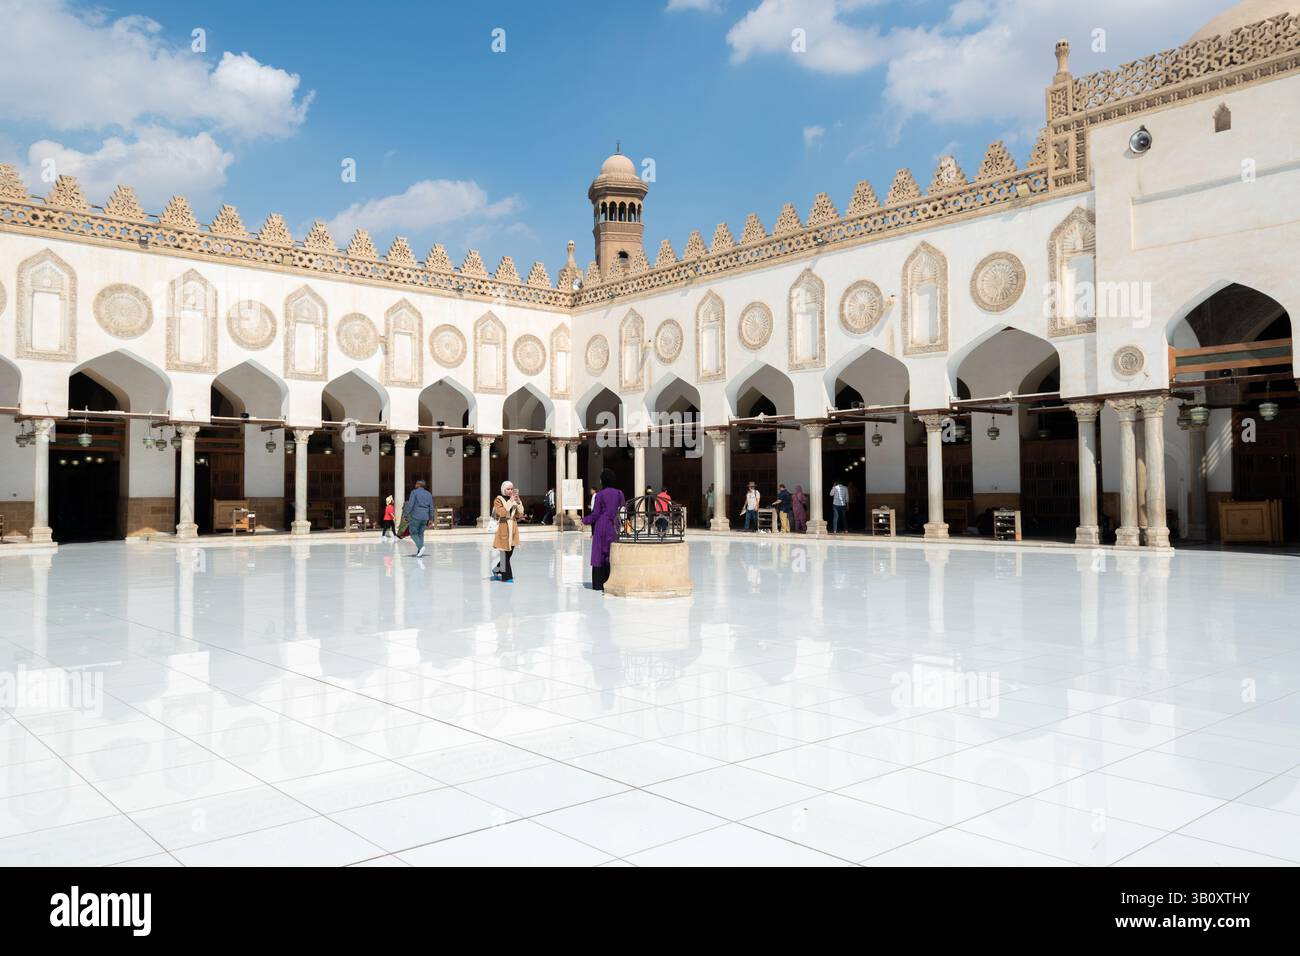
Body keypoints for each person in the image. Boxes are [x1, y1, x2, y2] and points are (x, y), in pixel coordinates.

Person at [583, 468, 625, 591]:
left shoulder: (599, 495)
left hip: (601, 526)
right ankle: (611, 581)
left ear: (603, 481)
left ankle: (598, 584)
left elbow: (595, 514)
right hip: (614, 525)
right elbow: (622, 510)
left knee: (599, 553)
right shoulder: (619, 493)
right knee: (611, 552)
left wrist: (584, 521)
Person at [491, 480, 523, 582]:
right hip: (503, 527)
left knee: (509, 554)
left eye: (511, 489)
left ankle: (496, 570)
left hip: (513, 528)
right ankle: (507, 577)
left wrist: (518, 502)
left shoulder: (513, 499)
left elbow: (520, 514)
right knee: (504, 554)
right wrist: (510, 501)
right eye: (508, 489)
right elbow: (502, 513)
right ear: (504, 489)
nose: (510, 491)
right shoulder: (498, 500)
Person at [405, 479, 433, 557]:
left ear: (418, 485)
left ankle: (421, 547)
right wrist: (431, 518)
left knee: (413, 533)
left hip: (416, 516)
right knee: (420, 533)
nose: (415, 485)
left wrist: (406, 514)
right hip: (425, 517)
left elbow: (410, 505)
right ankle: (419, 551)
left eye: (416, 484)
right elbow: (431, 507)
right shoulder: (428, 494)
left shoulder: (414, 492)